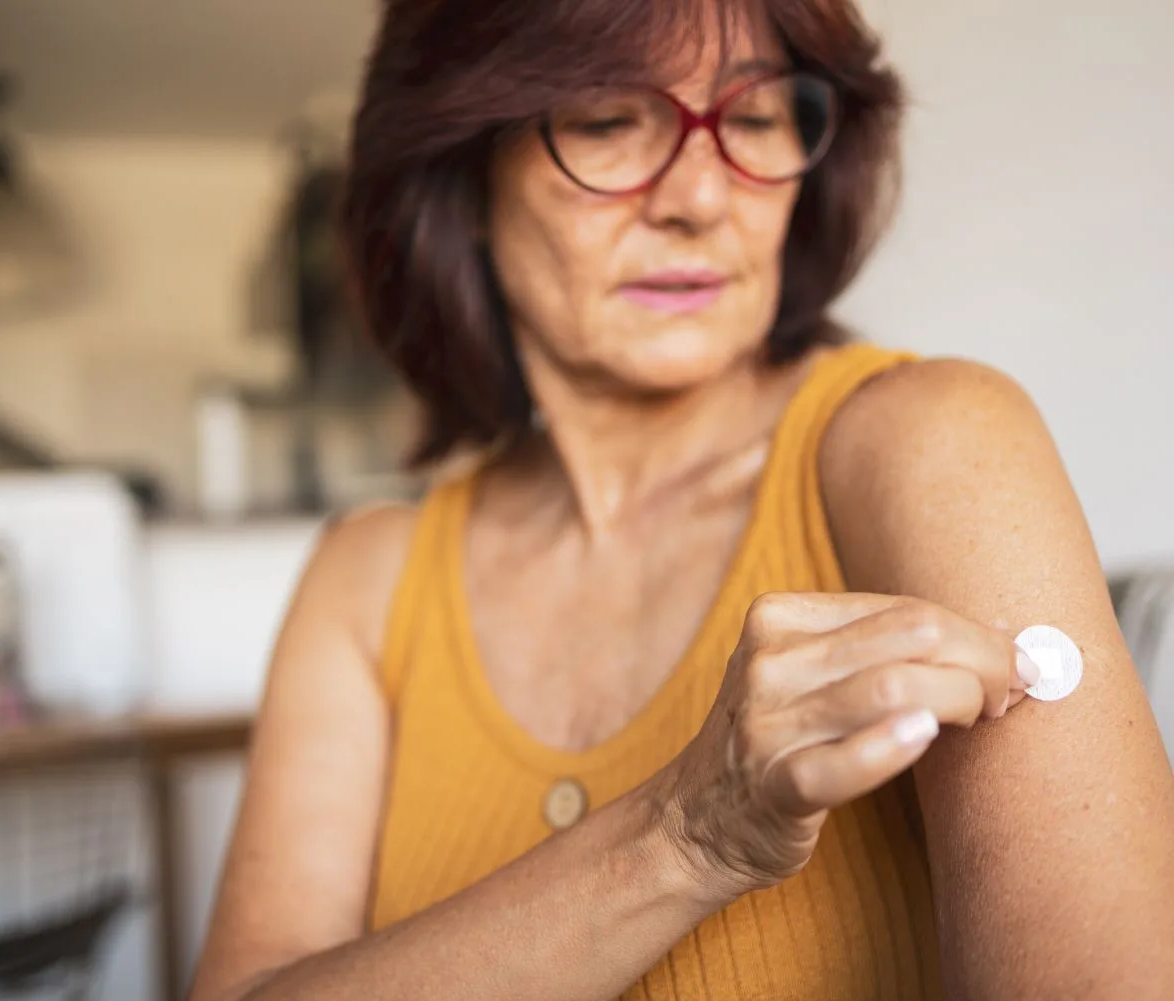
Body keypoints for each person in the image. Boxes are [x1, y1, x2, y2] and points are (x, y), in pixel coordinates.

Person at [189, 0, 1174, 998]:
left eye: (753, 120)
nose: (701, 196)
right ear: (464, 171)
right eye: (607, 120)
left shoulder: (931, 440)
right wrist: (686, 833)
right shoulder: (368, 579)